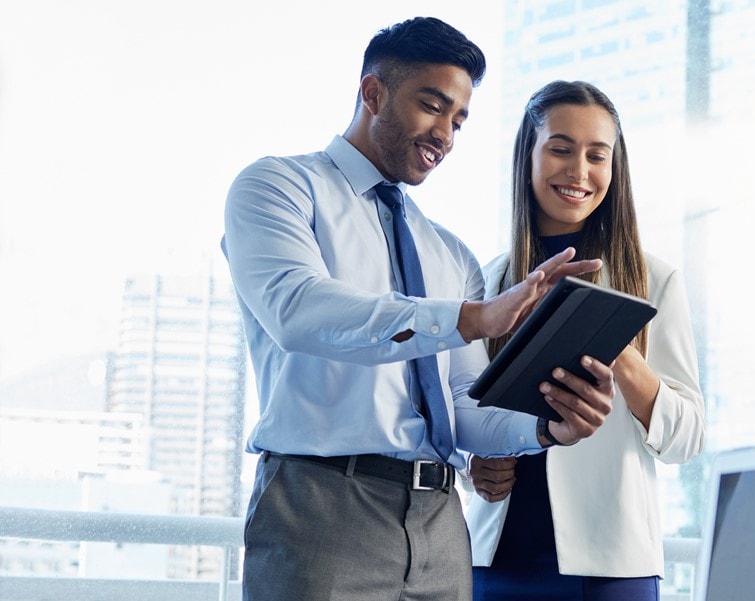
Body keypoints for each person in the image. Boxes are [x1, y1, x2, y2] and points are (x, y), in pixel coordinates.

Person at [221, 19, 616, 601]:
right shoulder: (279, 187)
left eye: (458, 120)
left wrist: (547, 427)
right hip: (324, 504)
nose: (446, 135)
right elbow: (297, 311)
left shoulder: (449, 252)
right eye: (432, 107)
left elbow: (462, 406)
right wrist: (472, 318)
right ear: (373, 93)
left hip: (439, 519)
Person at [463, 80, 706, 601]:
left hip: (612, 565)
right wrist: (474, 465)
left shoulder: (654, 281)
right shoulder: (489, 283)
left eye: (598, 155)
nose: (579, 171)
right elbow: (464, 414)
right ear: (527, 157)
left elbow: (688, 438)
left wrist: (627, 360)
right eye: (560, 149)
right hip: (498, 560)